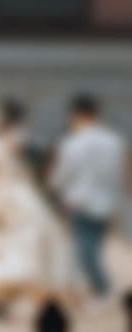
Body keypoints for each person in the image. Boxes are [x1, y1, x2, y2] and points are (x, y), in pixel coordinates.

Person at [0, 105, 81, 312]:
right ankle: (8, 296)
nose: (16, 137)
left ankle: (30, 294)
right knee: (16, 244)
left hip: (19, 198)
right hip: (6, 200)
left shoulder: (10, 152)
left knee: (35, 239)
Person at [50, 94, 126, 300]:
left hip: (80, 201)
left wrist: (54, 188)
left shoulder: (73, 142)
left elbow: (62, 176)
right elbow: (120, 174)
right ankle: (98, 290)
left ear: (76, 115)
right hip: (108, 202)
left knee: (85, 250)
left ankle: (103, 289)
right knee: (94, 247)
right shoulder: (115, 141)